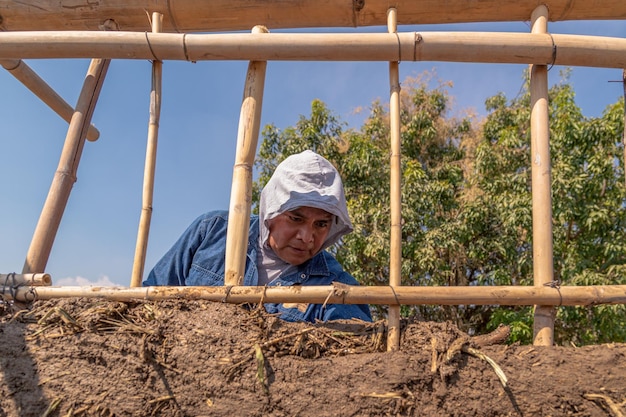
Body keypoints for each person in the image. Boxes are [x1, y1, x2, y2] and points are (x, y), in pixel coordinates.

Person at [143, 150, 372, 323]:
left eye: (321, 224)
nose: (306, 236)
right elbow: (147, 300)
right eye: (296, 218)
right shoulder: (212, 233)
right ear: (270, 210)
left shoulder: (335, 289)